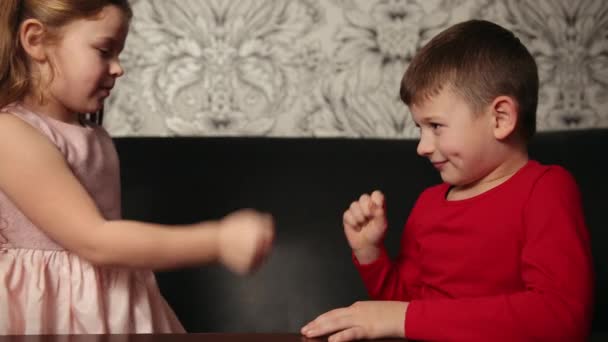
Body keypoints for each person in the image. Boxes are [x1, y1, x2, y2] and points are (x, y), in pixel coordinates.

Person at [301, 19, 593, 342]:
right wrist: (370, 254)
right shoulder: (428, 204)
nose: (422, 147)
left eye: (436, 126)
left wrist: (405, 317)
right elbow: (404, 309)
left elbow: (561, 316)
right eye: (419, 129)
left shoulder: (546, 189)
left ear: (500, 118)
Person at [0, 0, 274, 334]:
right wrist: (217, 241)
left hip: (112, 301)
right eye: (104, 50)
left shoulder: (94, 135)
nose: (118, 68)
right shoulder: (10, 133)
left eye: (119, 53)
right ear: (35, 40)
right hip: (47, 311)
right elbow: (95, 240)